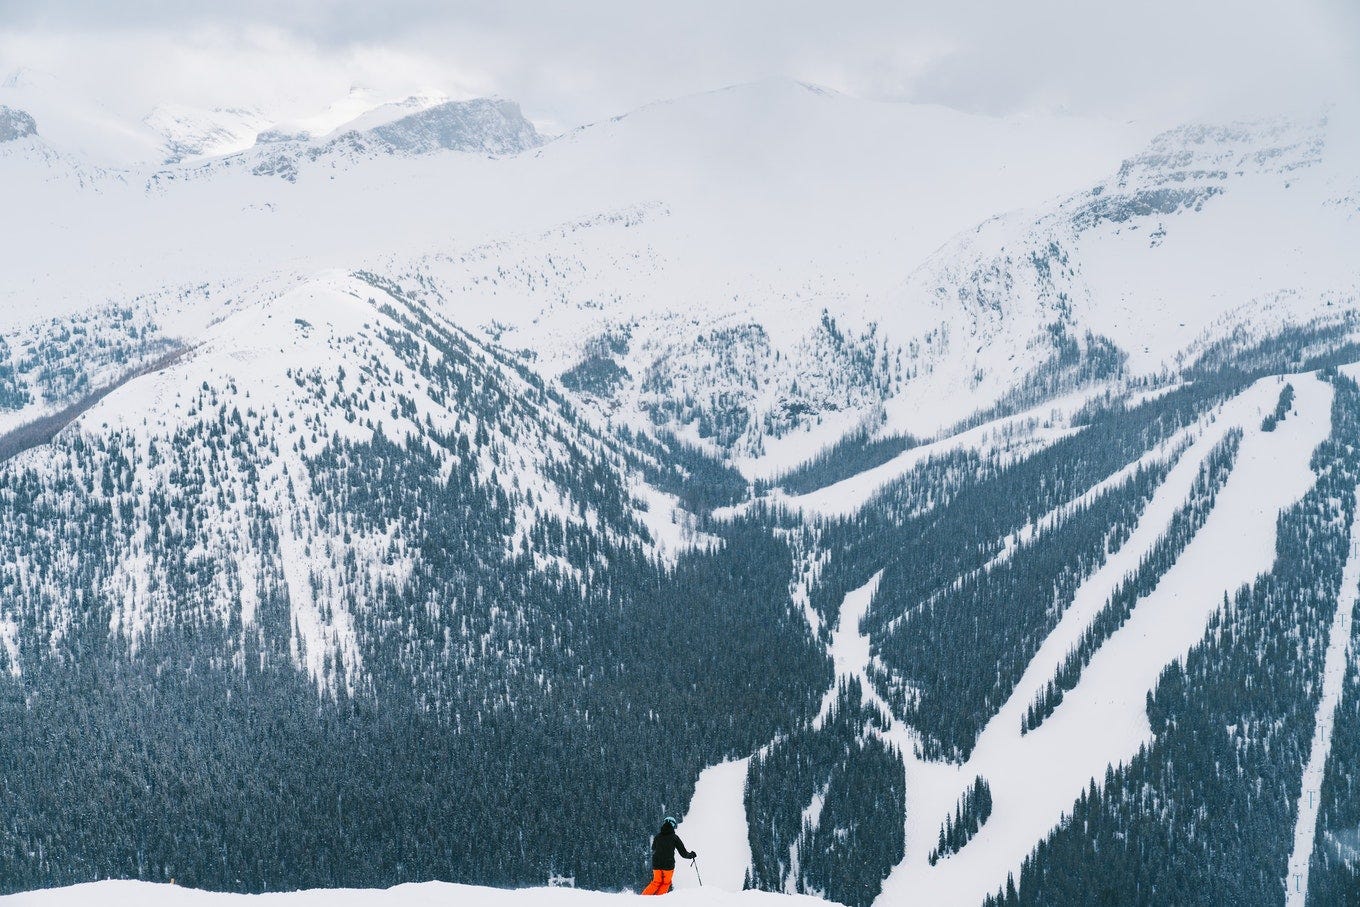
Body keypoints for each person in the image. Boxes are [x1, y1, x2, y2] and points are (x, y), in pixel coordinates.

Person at [642, 816, 695, 895]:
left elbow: (653, 848)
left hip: (656, 864)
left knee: (656, 882)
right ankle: (658, 899)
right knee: (665, 883)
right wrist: (691, 855)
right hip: (668, 864)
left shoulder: (657, 836)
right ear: (673, 825)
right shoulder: (675, 838)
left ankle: (643, 898)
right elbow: (683, 853)